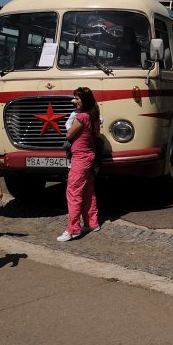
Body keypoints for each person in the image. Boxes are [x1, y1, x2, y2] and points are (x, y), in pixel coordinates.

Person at [57, 87, 101, 242]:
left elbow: (69, 134)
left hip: (80, 158)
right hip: (89, 156)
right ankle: (92, 223)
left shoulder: (82, 117)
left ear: (85, 100)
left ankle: (73, 229)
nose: (74, 101)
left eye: (77, 98)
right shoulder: (94, 115)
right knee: (88, 191)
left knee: (73, 192)